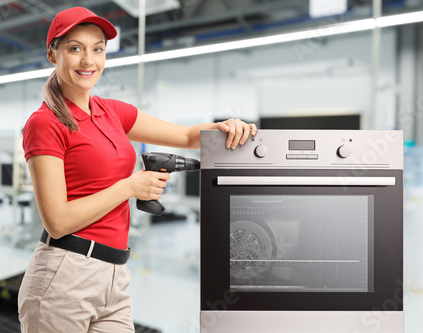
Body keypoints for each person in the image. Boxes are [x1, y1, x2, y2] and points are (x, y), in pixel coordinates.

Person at [17, 6, 257, 333]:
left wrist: (226, 126)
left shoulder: (112, 112)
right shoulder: (44, 123)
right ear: (52, 54)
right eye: (75, 48)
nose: (88, 60)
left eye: (97, 49)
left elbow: (186, 136)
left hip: (114, 273)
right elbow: (57, 222)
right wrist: (130, 187)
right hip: (65, 274)